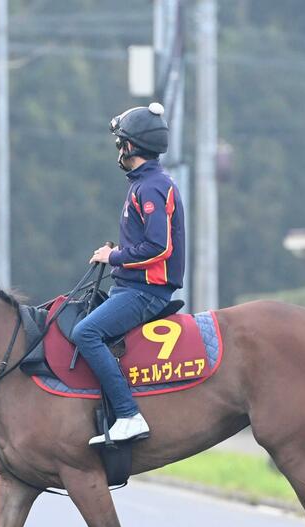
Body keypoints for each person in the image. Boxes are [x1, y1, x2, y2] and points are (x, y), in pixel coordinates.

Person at [71, 102, 186, 445]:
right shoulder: (142, 184)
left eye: (120, 143)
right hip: (132, 288)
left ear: (131, 147)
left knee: (85, 333)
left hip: (146, 293)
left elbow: (158, 247)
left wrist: (114, 255)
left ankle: (128, 414)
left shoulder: (151, 187)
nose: (118, 150)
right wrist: (114, 256)